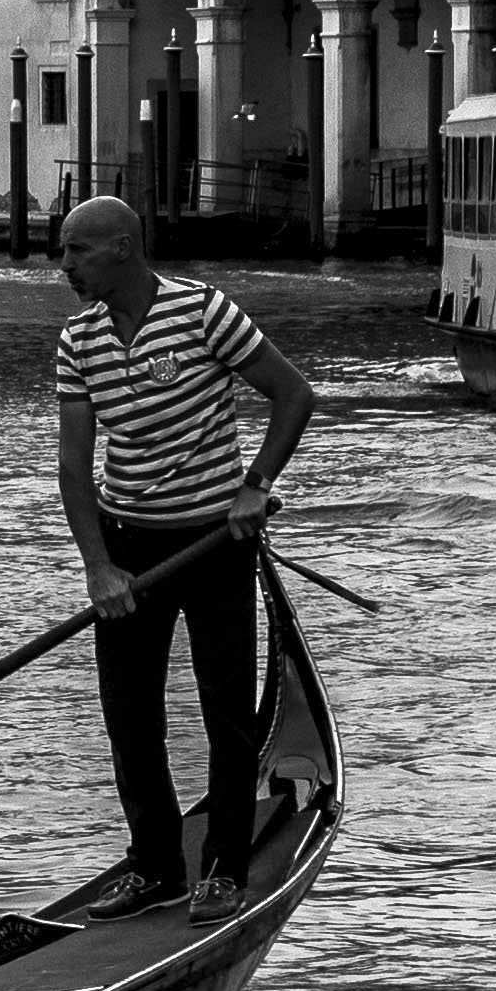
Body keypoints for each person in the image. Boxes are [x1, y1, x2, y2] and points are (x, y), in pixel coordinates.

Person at [52, 195, 314, 921]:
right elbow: (75, 470)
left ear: (124, 248)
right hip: (130, 547)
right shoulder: (79, 340)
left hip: (215, 542)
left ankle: (224, 869)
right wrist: (98, 567)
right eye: (64, 251)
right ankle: (157, 867)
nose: (64, 265)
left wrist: (254, 488)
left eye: (77, 250)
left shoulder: (205, 314)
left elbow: (294, 395)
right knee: (129, 717)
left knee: (226, 713)